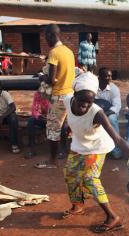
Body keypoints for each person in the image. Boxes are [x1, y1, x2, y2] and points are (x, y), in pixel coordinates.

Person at [62, 72, 129, 233]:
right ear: (74, 95)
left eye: (89, 102)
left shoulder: (97, 112)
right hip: (79, 145)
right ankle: (78, 205)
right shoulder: (67, 101)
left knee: (90, 178)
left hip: (97, 147)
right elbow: (68, 117)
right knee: (70, 173)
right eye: (81, 101)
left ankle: (113, 217)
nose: (85, 105)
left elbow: (117, 138)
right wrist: (66, 127)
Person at [35, 24, 75, 169]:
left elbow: (51, 80)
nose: (46, 40)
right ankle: (64, 154)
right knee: (64, 126)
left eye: (46, 37)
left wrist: (42, 77)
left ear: (51, 35)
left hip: (58, 96)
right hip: (70, 94)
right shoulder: (69, 52)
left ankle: (53, 161)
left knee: (52, 129)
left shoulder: (54, 53)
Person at [95, 67, 122, 159]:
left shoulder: (114, 89)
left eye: (110, 76)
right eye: (107, 76)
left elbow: (117, 106)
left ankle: (116, 149)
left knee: (112, 119)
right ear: (100, 77)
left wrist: (104, 115)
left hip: (109, 113)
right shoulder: (93, 87)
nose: (109, 78)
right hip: (95, 113)